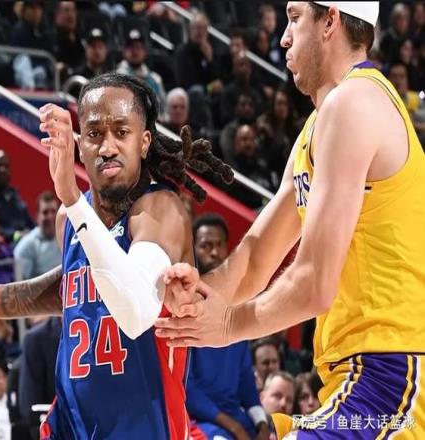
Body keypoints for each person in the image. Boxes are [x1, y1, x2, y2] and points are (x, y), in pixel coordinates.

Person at [156, 2, 425, 438]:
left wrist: (226, 324)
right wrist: (195, 298)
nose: (283, 37)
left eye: (295, 18)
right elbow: (256, 259)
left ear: (330, 21)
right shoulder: (318, 126)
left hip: (392, 378)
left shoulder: (355, 103)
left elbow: (314, 282)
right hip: (358, 379)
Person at [0, 72, 232, 439]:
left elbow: (134, 309)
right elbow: (65, 292)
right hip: (70, 425)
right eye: (94, 134)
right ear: (80, 144)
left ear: (144, 142)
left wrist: (72, 198)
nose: (107, 147)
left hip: (146, 429)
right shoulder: (69, 219)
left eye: (121, 131)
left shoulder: (161, 210)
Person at [187, 214, 268, 439]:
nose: (214, 252)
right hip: (199, 419)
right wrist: (233, 427)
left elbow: (245, 381)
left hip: (234, 417)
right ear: (193, 249)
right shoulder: (185, 307)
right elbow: (187, 389)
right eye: (206, 245)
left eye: (219, 245)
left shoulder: (236, 307)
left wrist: (262, 423)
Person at [0, 150, 35, 242]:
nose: (2, 170)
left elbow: (30, 221)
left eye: (6, 166)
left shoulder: (14, 194)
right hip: (4, 244)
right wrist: (16, 235)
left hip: (26, 240)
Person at [14, 191, 60, 280]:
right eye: (45, 212)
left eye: (53, 211)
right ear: (37, 216)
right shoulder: (24, 247)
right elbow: (19, 283)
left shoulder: (66, 240)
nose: (50, 217)